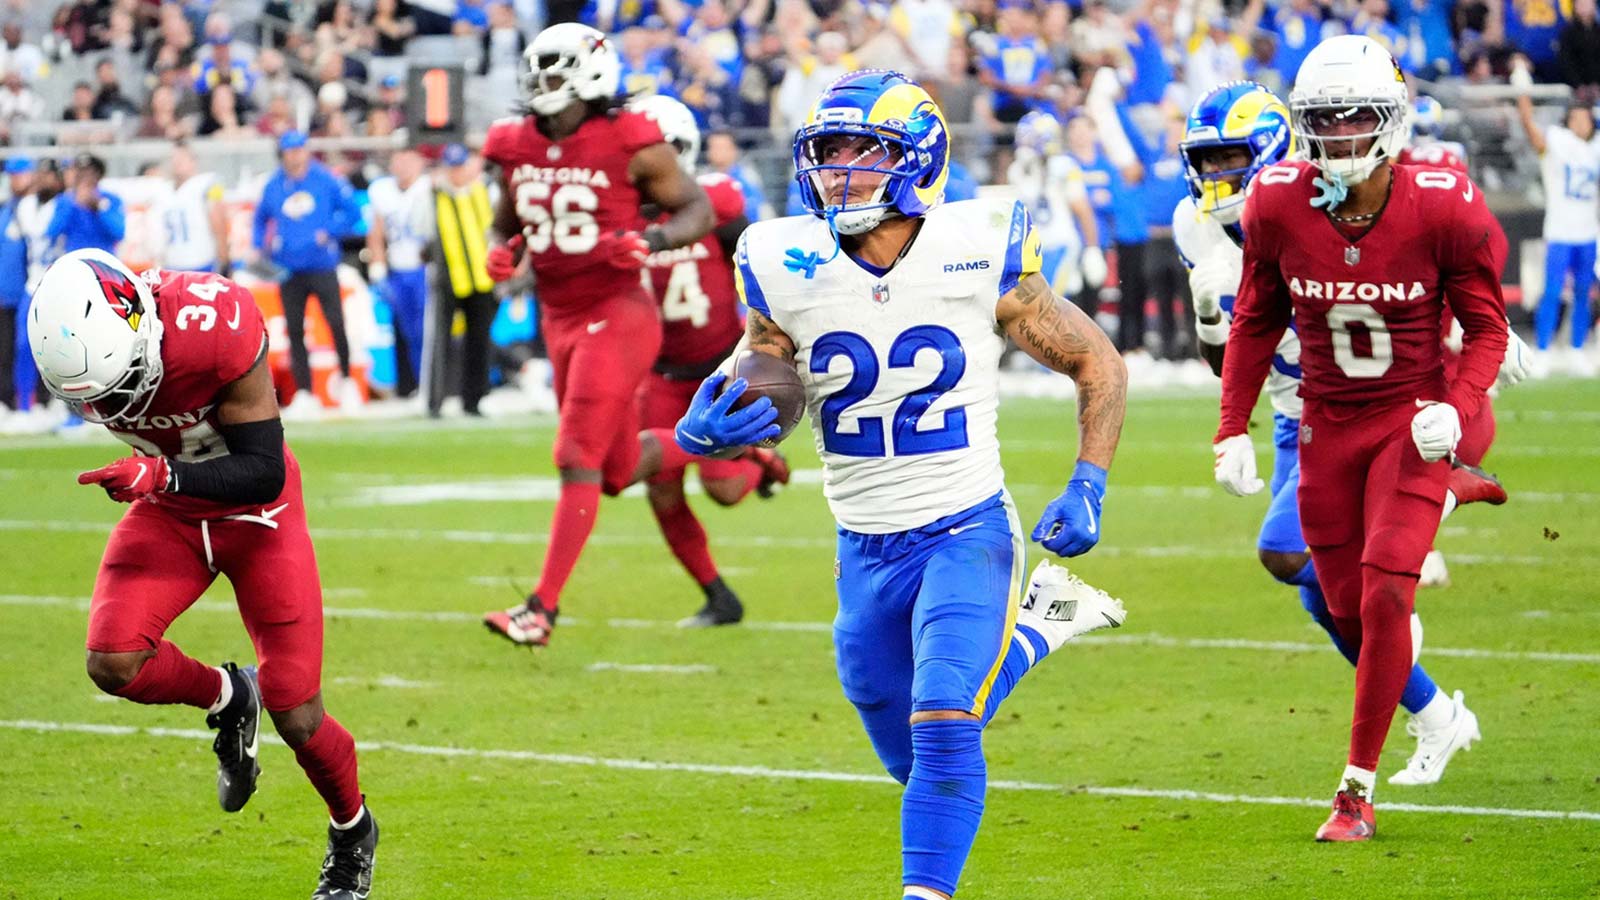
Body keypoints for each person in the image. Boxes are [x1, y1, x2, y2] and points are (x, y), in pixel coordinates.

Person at [674, 69, 1129, 899]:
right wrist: (708, 424)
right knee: (906, 753)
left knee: (948, 722)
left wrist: (1088, 481)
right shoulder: (785, 260)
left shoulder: (977, 243)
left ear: (918, 159)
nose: (839, 171)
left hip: (965, 527)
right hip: (862, 545)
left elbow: (1096, 358)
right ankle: (1037, 628)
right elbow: (767, 370)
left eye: (862, 152)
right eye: (828, 152)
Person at [1178, 79, 1519, 793]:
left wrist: (1480, 330)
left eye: (1229, 159)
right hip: (1294, 413)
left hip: (1386, 404)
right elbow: (1238, 353)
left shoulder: (1325, 198)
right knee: (1324, 602)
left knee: (1283, 551)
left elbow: (1404, 279)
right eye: (1205, 163)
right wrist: (1215, 320)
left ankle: (1422, 521)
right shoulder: (1196, 227)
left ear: (1275, 147)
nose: (1215, 178)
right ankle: (1434, 714)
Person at [26, 249, 377, 898]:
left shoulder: (212, 323)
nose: (119, 402)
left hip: (258, 515)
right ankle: (226, 695)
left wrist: (161, 474)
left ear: (141, 326)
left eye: (122, 380)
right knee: (113, 660)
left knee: (296, 713)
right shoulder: (80, 355)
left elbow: (264, 467)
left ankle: (352, 831)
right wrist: (162, 481)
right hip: (172, 512)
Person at [478, 23, 729, 648]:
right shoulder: (513, 142)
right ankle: (730, 441)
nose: (545, 86)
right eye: (538, 72)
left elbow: (696, 210)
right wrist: (502, 251)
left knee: (574, 456)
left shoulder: (630, 138)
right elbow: (505, 221)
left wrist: (651, 239)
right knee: (616, 470)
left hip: (618, 312)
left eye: (558, 72)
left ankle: (541, 610)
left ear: (591, 75)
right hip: (557, 316)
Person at [633, 94, 789, 628]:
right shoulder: (623, 214)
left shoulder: (716, 199)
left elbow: (752, 261)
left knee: (721, 489)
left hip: (715, 368)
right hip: (658, 368)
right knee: (658, 486)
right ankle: (718, 596)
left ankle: (758, 459)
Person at [252, 130, 363, 412]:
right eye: (290, 151)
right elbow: (260, 218)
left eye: (299, 150)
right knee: (295, 329)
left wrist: (330, 232)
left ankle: (348, 380)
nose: (296, 156)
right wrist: (259, 247)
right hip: (289, 269)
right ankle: (304, 391)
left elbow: (353, 212)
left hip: (322, 265)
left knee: (335, 323)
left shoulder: (325, 179)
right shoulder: (274, 184)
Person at [1512, 54, 1600, 374]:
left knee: (1582, 292)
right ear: (1568, 121)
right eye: (1576, 118)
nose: (1581, 123)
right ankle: (1544, 349)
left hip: (1587, 231)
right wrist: (1522, 87)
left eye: (1585, 118)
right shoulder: (1558, 142)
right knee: (1551, 291)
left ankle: (1577, 347)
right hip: (1560, 231)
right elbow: (1528, 124)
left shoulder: (1596, 147)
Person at [1007, 110, 1106, 299]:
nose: (1025, 145)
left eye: (1031, 139)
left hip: (1060, 246)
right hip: (1030, 251)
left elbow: (1082, 209)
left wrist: (1092, 248)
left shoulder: (1063, 166)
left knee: (1052, 306)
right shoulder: (1017, 170)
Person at [428, 143, 494, 415]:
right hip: (448, 278)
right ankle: (435, 401)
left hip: (481, 278)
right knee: (440, 343)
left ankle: (474, 400)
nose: (457, 173)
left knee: (479, 341)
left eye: (460, 166)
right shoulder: (433, 195)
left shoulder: (484, 191)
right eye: (452, 167)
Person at [365, 146, 434, 397]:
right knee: (408, 332)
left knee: (426, 331)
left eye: (408, 160)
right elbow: (377, 231)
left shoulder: (428, 189)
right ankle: (418, 385)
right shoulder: (383, 191)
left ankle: (432, 385)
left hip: (424, 269)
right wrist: (378, 266)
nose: (403, 166)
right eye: (398, 160)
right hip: (398, 269)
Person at [159, 142, 231, 275]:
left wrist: (224, 258)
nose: (176, 163)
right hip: (171, 263)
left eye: (181, 159)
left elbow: (218, 220)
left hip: (201, 261)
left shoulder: (208, 183)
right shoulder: (164, 190)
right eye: (173, 159)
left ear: (193, 161)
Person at [46, 153, 125, 255]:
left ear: (98, 175)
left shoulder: (110, 199)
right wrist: (73, 203)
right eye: (80, 173)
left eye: (90, 173)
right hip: (75, 259)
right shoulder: (65, 200)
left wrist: (99, 206)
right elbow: (52, 232)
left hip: (104, 259)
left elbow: (119, 233)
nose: (85, 178)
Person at [0, 156, 28, 413]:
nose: (13, 180)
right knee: (5, 350)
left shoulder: (32, 209)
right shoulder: (6, 210)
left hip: (27, 290)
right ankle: (6, 402)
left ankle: (40, 401)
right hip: (6, 292)